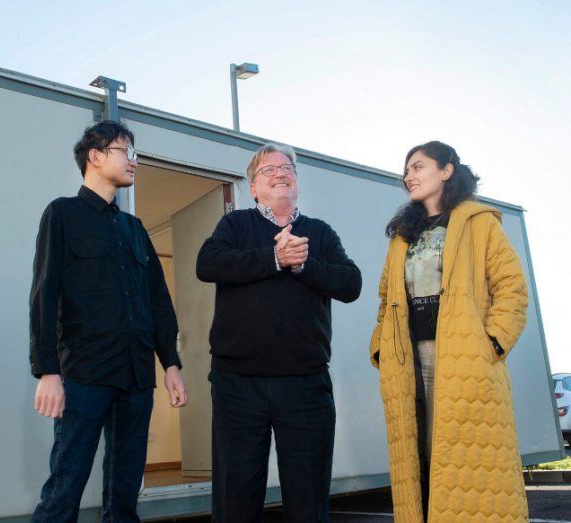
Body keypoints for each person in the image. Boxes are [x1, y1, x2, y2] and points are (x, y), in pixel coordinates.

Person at [29, 121, 187, 523]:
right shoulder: (62, 214)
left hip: (135, 378)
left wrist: (170, 362)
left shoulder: (134, 230)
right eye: (125, 151)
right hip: (83, 375)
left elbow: (158, 301)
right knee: (65, 487)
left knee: (124, 495)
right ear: (95, 157)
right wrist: (48, 370)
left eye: (135, 153)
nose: (134, 161)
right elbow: (45, 294)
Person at [197, 143, 362, 523]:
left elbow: (350, 284)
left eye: (287, 168)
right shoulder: (235, 225)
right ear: (253, 188)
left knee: (308, 497)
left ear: (298, 185)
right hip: (237, 384)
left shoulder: (319, 234)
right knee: (236, 495)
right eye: (268, 170)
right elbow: (208, 264)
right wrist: (273, 258)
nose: (281, 173)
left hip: (305, 384)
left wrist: (303, 263)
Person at [369, 141, 529, 521]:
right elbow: (385, 297)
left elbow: (512, 288)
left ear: (447, 171)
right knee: (420, 455)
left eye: (419, 167)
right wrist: (380, 346)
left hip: (464, 355)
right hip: (409, 357)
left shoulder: (478, 221)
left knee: (469, 458)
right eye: (406, 170)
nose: (409, 176)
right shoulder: (402, 235)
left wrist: (491, 342)